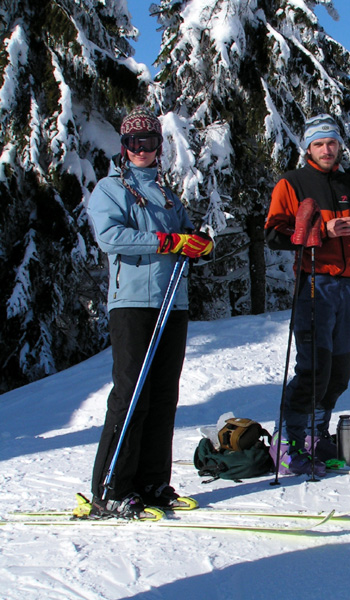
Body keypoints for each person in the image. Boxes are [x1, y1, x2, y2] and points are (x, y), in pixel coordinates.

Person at [86, 106, 213, 519]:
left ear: (159, 146)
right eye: (134, 143)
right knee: (130, 395)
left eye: (149, 142)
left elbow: (184, 235)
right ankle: (111, 488)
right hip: (133, 303)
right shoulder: (110, 189)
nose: (142, 149)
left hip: (172, 301)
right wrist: (168, 241)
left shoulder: (167, 192)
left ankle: (153, 482)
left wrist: (197, 243)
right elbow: (111, 237)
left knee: (163, 396)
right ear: (124, 148)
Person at [265, 114, 350, 476]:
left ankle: (315, 434)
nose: (326, 150)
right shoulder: (293, 183)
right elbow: (273, 233)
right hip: (315, 283)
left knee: (339, 373)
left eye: (331, 143)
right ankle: (289, 440)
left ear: (339, 146)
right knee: (314, 369)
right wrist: (320, 230)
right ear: (308, 148)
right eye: (318, 144)